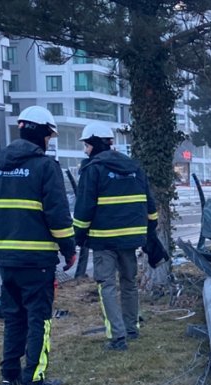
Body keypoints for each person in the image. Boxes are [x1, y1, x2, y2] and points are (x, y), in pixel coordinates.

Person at [0, 106, 76, 385]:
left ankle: (8, 374)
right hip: (37, 260)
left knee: (13, 316)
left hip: (6, 257)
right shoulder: (45, 167)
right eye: (49, 136)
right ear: (42, 134)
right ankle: (34, 378)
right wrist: (69, 249)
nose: (49, 142)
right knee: (39, 318)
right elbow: (58, 215)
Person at [72, 122, 158, 351]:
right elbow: (150, 202)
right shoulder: (133, 167)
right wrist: (151, 230)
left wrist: (76, 237)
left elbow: (83, 209)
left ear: (94, 144)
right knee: (129, 283)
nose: (85, 151)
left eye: (87, 146)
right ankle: (132, 329)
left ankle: (117, 337)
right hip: (130, 239)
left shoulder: (93, 169)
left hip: (103, 239)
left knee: (106, 285)